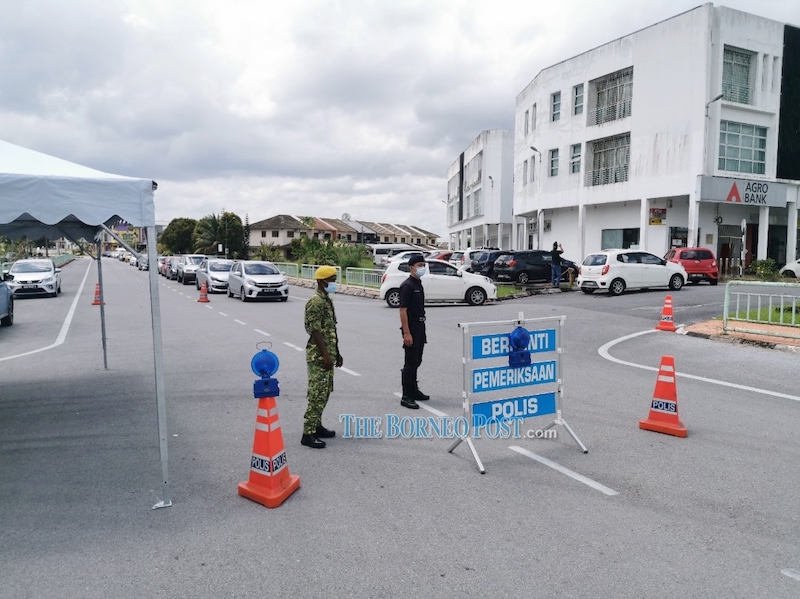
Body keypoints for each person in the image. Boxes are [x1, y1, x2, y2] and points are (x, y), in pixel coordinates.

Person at [301, 265, 342, 449]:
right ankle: (307, 434)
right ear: (321, 281)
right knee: (317, 394)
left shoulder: (326, 299)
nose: (334, 283)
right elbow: (314, 330)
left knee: (325, 393)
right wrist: (325, 355)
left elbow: (330, 329)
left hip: (328, 353)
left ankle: (316, 425)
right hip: (318, 356)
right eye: (332, 280)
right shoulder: (316, 301)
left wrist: (337, 353)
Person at [398, 254, 429, 409]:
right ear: (411, 267)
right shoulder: (407, 286)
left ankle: (414, 390)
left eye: (423, 264)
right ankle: (406, 396)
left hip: (420, 327)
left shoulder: (418, 283)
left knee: (417, 360)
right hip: (411, 328)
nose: (422, 267)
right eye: (419, 265)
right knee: (410, 362)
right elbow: (403, 310)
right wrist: (406, 333)